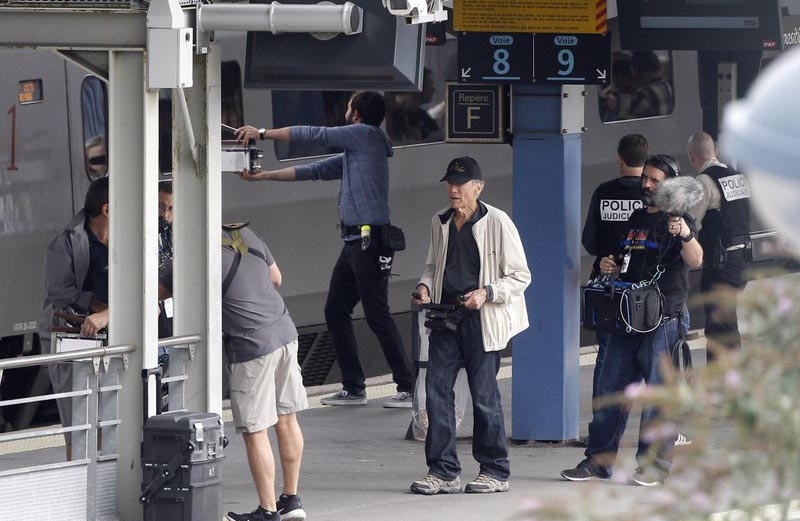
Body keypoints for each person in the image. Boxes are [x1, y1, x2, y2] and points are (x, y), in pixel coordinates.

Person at [234, 90, 415, 409]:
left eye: (348, 109)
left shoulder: (365, 136)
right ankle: (354, 387)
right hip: (353, 244)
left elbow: (316, 134)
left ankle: (408, 385)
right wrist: (263, 177)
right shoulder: (357, 152)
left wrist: (261, 133)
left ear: (356, 115)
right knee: (335, 310)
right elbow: (312, 171)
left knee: (377, 315)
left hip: (368, 242)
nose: (344, 113)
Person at [561, 154, 703, 486]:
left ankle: (654, 466)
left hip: (663, 321)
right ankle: (597, 462)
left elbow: (696, 259)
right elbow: (618, 258)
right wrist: (607, 265)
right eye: (646, 179)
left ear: (670, 184)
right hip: (626, 319)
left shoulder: (679, 219)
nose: (648, 184)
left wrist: (683, 233)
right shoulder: (636, 217)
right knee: (611, 391)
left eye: (655, 180)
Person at [409, 157, 531, 495]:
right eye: (449, 183)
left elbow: (521, 276)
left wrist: (487, 293)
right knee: (436, 394)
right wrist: (424, 287)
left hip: (482, 319)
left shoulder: (498, 222)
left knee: (484, 396)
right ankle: (444, 470)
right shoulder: (441, 221)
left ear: (477, 187)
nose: (452, 189)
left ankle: (495, 470)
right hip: (446, 317)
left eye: (460, 184)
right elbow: (434, 266)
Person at [221, 224, 308, 521]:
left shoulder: (197, 250)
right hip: (284, 331)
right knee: (286, 418)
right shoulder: (245, 232)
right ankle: (290, 500)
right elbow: (276, 278)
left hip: (251, 344)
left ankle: (267, 514)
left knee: (256, 429)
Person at [42, 177, 110, 459]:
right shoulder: (66, 242)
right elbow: (59, 291)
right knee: (78, 421)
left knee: (108, 417)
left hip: (110, 338)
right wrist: (99, 306)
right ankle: (79, 482)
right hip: (74, 338)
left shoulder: (124, 237)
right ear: (106, 209)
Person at [581, 133, 647, 404]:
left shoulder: (604, 192)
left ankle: (601, 420)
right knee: (647, 353)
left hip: (608, 286)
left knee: (606, 355)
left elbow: (589, 241)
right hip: (642, 288)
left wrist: (605, 259)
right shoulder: (650, 197)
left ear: (620, 159)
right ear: (646, 160)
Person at [687, 131, 751, 363]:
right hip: (741, 261)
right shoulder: (737, 177)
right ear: (715, 151)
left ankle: (724, 386)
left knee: (719, 328)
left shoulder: (703, 182)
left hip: (721, 265)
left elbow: (691, 222)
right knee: (727, 323)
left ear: (692, 157)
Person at [623, 51, 674, 119]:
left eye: (633, 71)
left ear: (636, 69)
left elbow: (627, 125)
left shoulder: (644, 94)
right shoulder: (668, 87)